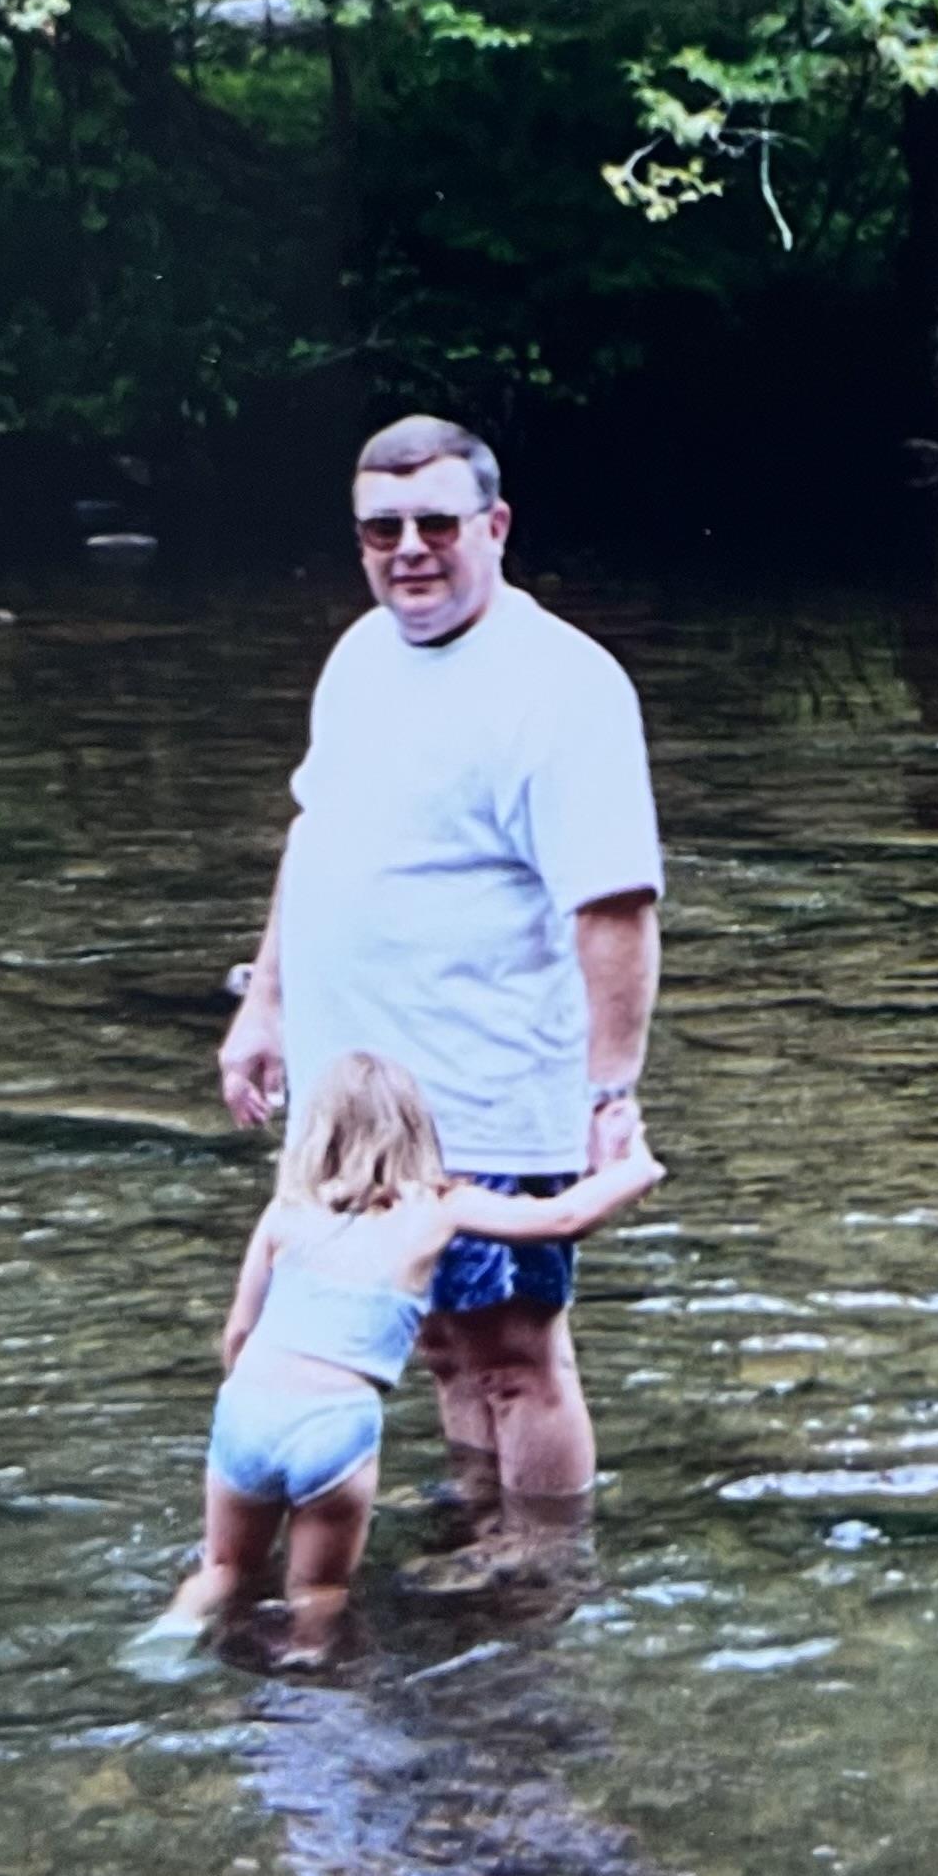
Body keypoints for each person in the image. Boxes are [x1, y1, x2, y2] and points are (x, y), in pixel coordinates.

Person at [215, 416, 663, 1524]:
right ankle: (478, 1522)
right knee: (431, 1347)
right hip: (356, 1100)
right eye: (381, 527)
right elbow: (313, 834)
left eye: (435, 523)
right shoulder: (360, 655)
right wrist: (264, 1002)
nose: (408, 548)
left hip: (495, 1090)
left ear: (494, 526)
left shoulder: (563, 684)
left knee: (514, 1351)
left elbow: (615, 907)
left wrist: (610, 1092)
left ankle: (546, 1564)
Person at [149, 1054, 666, 1665]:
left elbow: (239, 1331)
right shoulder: (436, 1207)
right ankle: (307, 1680)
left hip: (248, 1406)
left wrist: (249, 1398)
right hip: (332, 1422)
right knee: (316, 1590)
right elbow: (563, 1217)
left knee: (224, 1567)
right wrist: (637, 1166)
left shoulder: (287, 1208)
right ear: (419, 1131)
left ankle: (175, 1628)